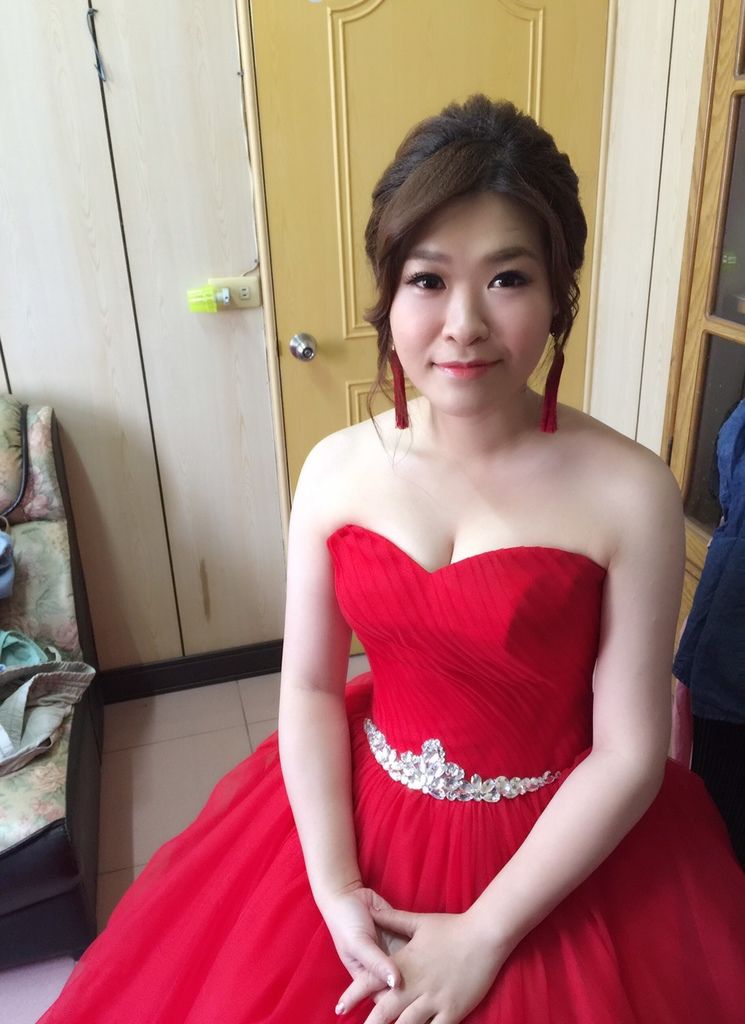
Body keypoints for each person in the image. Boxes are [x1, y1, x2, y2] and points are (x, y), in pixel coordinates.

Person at [41, 96, 745, 1024]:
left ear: (557, 295)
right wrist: (334, 888)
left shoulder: (630, 490)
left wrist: (484, 933)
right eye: (427, 279)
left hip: (555, 840)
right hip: (360, 822)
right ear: (388, 293)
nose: (463, 323)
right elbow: (309, 689)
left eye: (507, 277)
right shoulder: (335, 470)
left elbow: (627, 752)